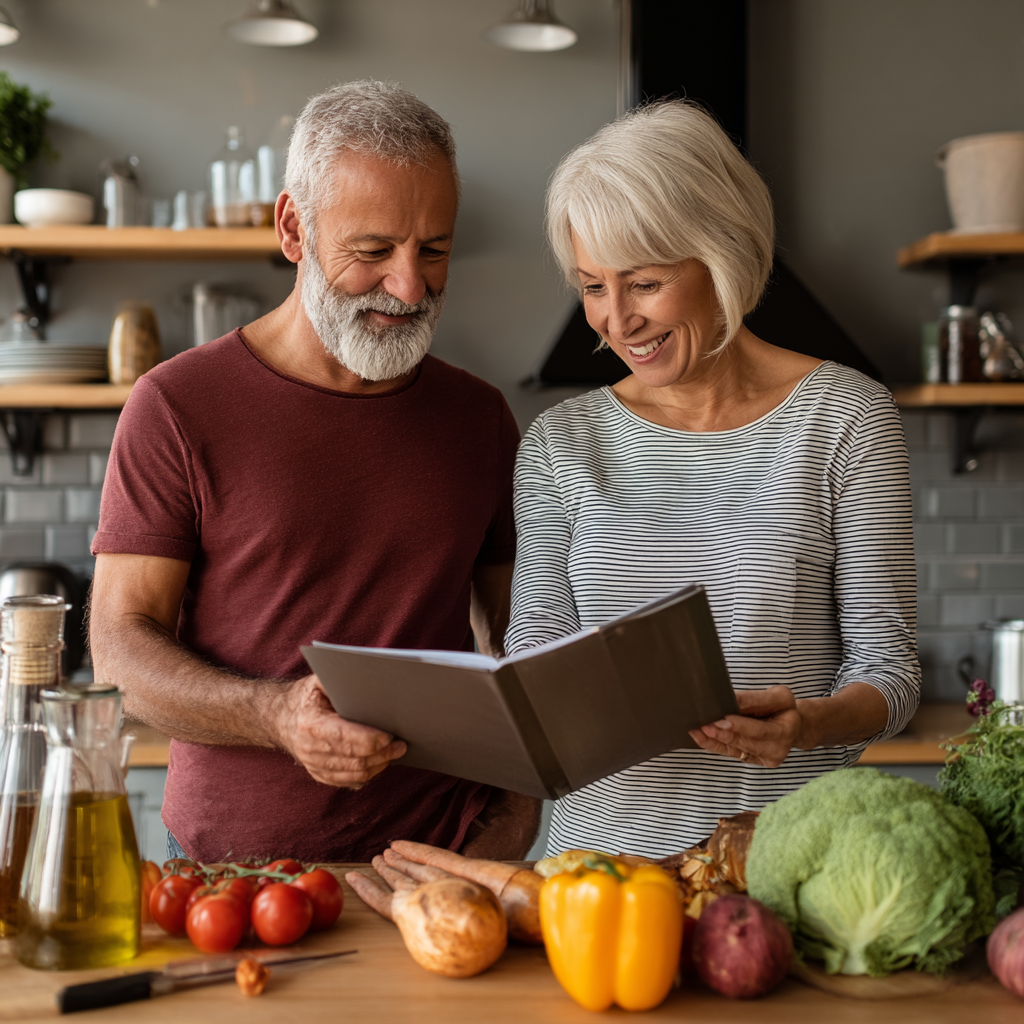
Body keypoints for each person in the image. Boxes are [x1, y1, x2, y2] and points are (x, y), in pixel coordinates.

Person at [89, 80, 540, 863]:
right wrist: (275, 716)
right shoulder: (176, 406)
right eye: (373, 252)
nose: (410, 287)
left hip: (441, 869)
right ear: (294, 228)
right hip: (235, 879)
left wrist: (510, 820)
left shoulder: (480, 419)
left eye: (434, 250)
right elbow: (120, 653)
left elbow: (522, 641)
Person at [505, 101, 919, 858]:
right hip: (593, 877)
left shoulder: (847, 420)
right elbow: (535, 652)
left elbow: (888, 675)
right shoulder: (561, 442)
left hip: (784, 865)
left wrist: (809, 723)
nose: (616, 320)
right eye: (594, 286)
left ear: (722, 256)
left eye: (645, 283)